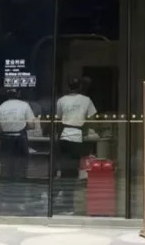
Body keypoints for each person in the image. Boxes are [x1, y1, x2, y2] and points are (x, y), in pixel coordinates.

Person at [55, 76, 97, 214]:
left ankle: (66, 202)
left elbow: (58, 118)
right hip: (77, 137)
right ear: (80, 87)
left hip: (64, 136)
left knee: (64, 171)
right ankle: (69, 204)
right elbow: (92, 118)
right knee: (73, 172)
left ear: (68, 87)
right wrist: (86, 127)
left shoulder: (61, 100)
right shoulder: (86, 100)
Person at [0, 89, 40, 213]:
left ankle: (4, 201)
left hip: (6, 140)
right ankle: (19, 201)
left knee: (5, 170)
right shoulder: (24, 105)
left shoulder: (0, 107)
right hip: (20, 139)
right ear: (18, 94)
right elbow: (32, 125)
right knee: (21, 169)